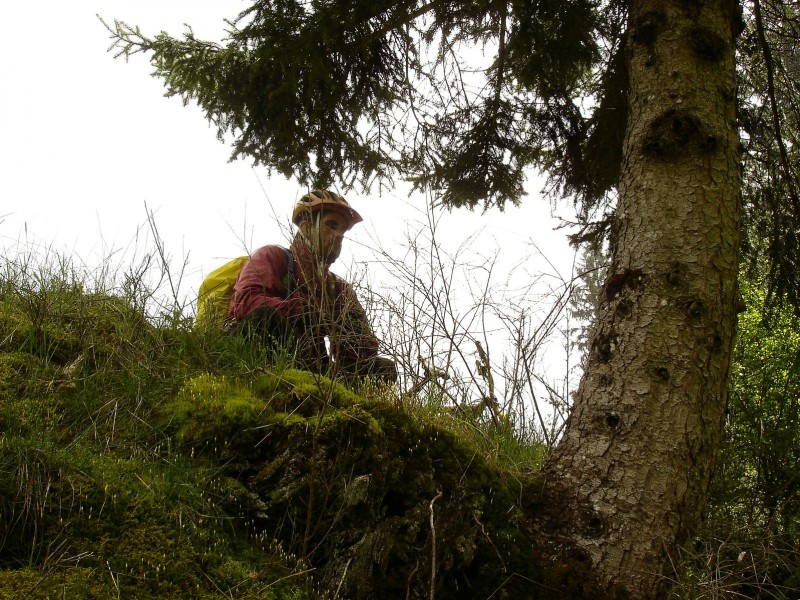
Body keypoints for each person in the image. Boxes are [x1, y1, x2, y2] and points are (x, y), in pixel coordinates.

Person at [227, 189, 397, 381]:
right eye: (331, 225)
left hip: (311, 367)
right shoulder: (273, 256)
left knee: (383, 369)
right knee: (266, 318)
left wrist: (346, 333)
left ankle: (340, 403)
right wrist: (303, 311)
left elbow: (362, 354)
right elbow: (246, 301)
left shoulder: (339, 289)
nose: (339, 235)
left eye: (343, 230)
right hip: (255, 354)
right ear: (307, 228)